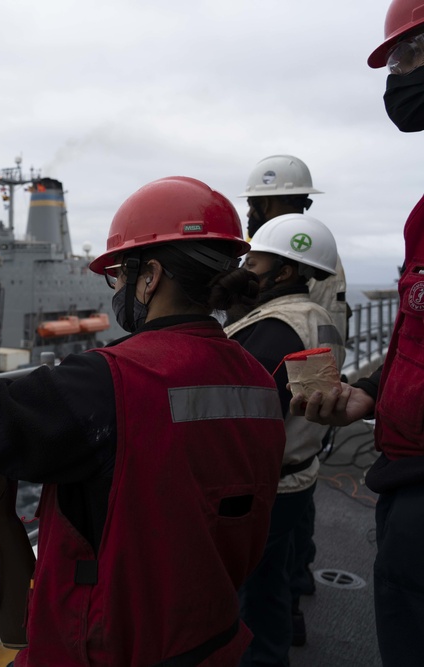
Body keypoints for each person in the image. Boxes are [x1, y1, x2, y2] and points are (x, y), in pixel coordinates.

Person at [0, 176, 287, 665]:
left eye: (119, 275)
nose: (117, 288)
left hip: (108, 648)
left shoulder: (112, 380)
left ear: (150, 276)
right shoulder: (258, 378)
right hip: (210, 637)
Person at [293, 3, 424, 663]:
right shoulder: (420, 217)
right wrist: (371, 387)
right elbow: (414, 330)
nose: (398, 76)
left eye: (411, 54)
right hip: (403, 475)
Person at [224, 214, 344, 665]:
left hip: (267, 489)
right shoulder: (316, 317)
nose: (242, 272)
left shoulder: (277, 329)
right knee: (270, 586)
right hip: (299, 472)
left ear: (286, 271)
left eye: (252, 264)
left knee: (246, 597)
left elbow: (244, 419)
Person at [235, 155, 349, 351]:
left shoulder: (302, 255)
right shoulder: (315, 251)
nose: (249, 214)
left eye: (253, 204)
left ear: (266, 203)